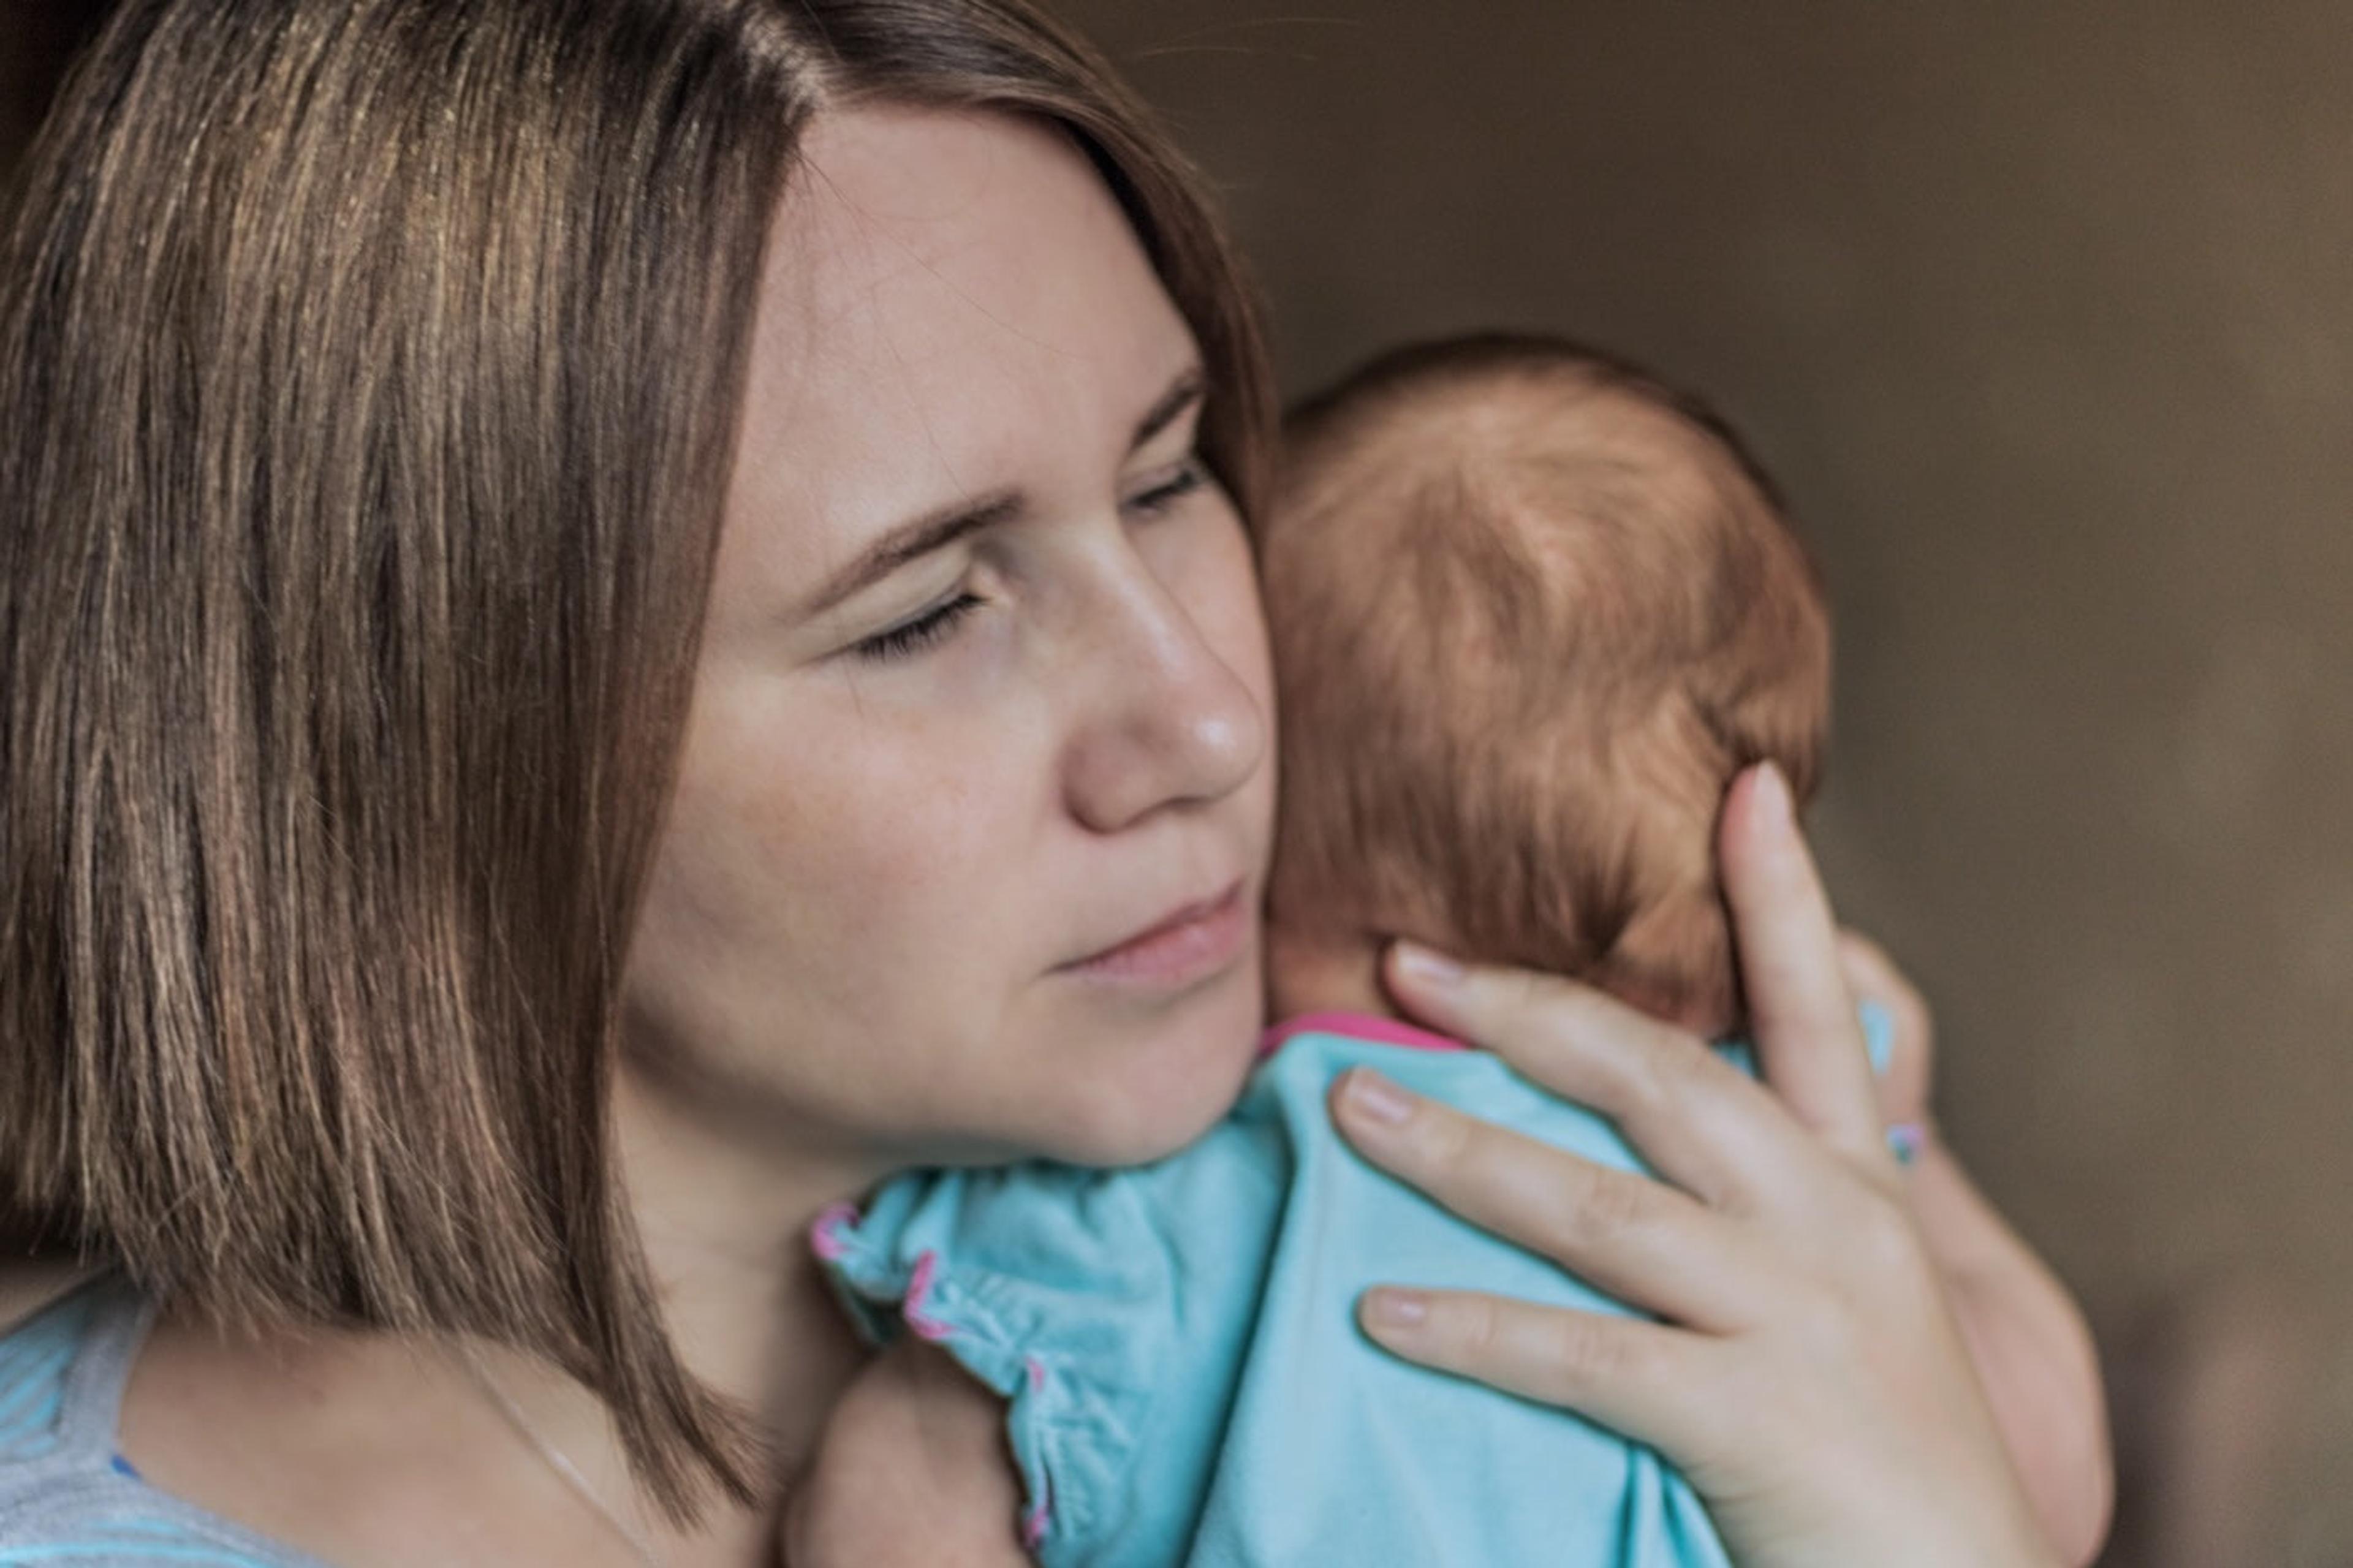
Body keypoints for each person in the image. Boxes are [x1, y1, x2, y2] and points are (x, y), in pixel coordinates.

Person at [0, 1, 2084, 1564]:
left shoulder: (1646, 1178)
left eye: (1173, 480)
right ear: (412, 756)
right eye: (927, 613)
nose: (1211, 718)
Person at [792, 335, 2110, 1566]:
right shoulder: (1790, 1164)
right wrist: (1911, 1145)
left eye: (1164, 486)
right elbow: (2037, 1473)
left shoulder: (1170, 1203)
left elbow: (888, 1506)